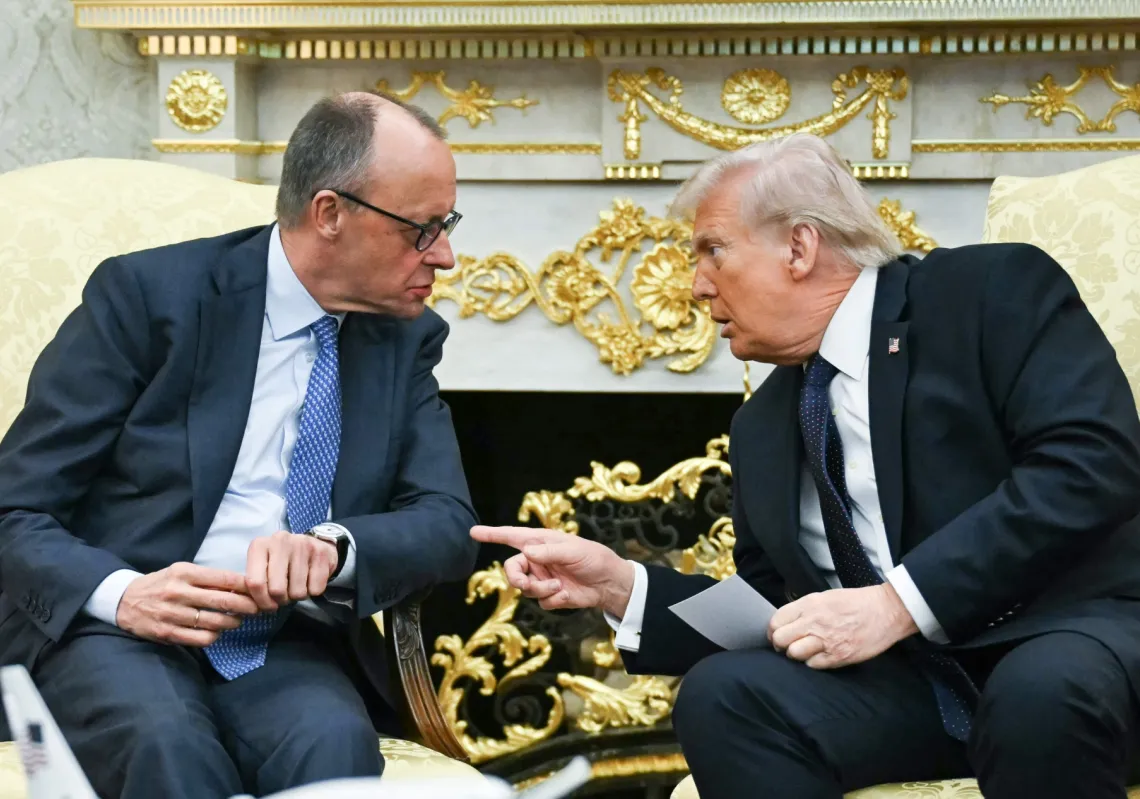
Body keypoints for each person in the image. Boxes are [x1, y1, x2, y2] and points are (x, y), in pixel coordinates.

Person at [472, 132, 1140, 799]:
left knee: (1037, 692)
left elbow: (1088, 465)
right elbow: (774, 612)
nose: (696, 288)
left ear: (799, 246)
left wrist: (899, 603)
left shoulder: (986, 292)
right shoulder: (764, 423)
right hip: (919, 692)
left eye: (712, 251)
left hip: (1069, 643)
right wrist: (623, 586)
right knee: (725, 694)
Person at [0, 91, 478, 799]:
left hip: (280, 640)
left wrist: (334, 548)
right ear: (330, 215)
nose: (445, 254)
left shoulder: (404, 339)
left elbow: (446, 522)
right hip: (121, 632)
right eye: (422, 229)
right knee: (166, 743)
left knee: (334, 745)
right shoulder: (147, 298)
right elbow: (16, 506)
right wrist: (124, 594)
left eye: (447, 224)